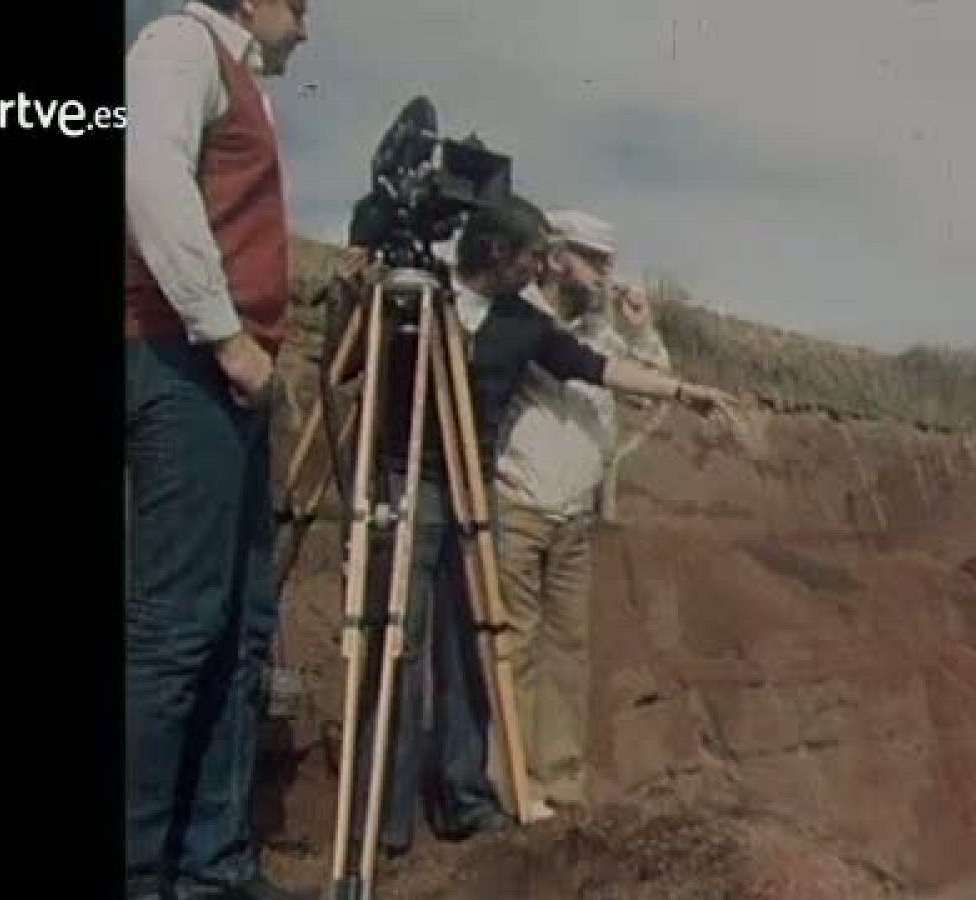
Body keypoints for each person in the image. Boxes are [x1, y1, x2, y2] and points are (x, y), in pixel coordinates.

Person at [346, 194, 738, 855]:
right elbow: (357, 364)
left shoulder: (522, 324)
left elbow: (597, 367)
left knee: (470, 645)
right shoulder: (424, 298)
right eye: (532, 256)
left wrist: (682, 390)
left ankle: (467, 796)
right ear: (499, 252)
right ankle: (386, 815)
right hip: (414, 477)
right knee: (402, 642)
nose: (537, 268)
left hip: (472, 491)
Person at [124, 2, 311, 898]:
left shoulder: (242, 80)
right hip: (185, 360)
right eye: (300, 4)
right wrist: (224, 332)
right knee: (178, 627)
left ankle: (213, 865)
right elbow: (150, 176)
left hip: (227, 375)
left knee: (240, 628)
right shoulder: (178, 44)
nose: (306, 26)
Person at [491, 210, 669, 820]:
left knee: (568, 649)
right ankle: (514, 783)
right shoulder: (521, 319)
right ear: (557, 255)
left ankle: (561, 783)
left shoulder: (604, 336)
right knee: (515, 645)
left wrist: (642, 335)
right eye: (592, 259)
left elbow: (649, 393)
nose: (603, 273)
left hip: (574, 515)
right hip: (518, 502)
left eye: (607, 262)